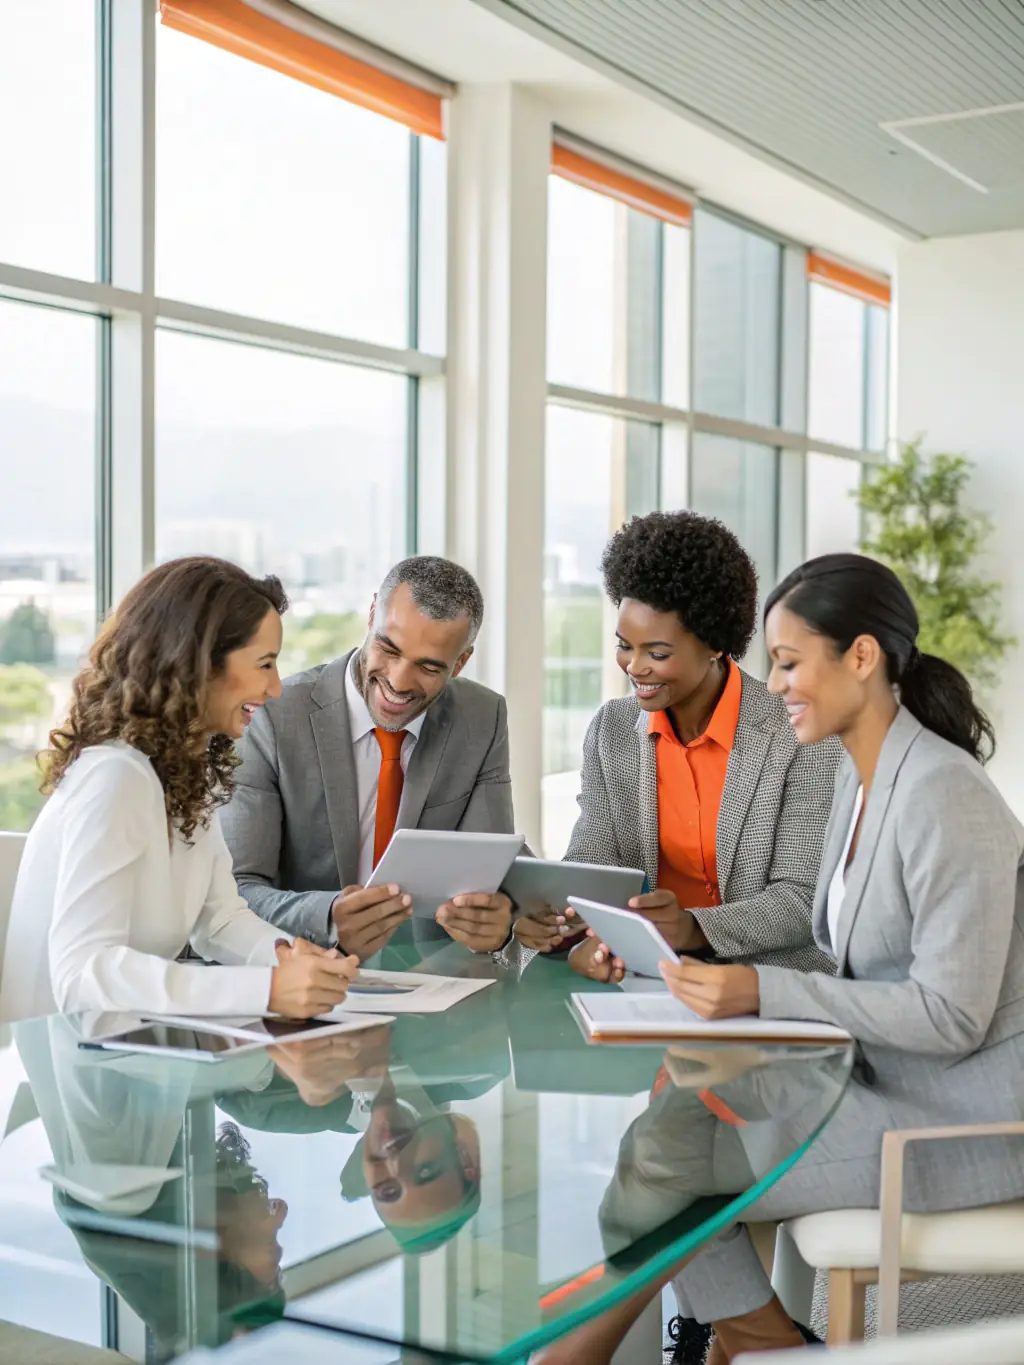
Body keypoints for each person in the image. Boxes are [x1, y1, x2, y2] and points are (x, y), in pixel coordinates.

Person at [534, 552, 1024, 1364]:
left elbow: (952, 1014)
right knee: (672, 1129)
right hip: (877, 1078)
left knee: (664, 1164)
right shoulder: (864, 784)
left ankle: (702, 1348)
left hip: (957, 1119)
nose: (777, 685)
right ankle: (759, 1345)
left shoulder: (944, 791)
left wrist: (763, 986)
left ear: (861, 658)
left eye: (791, 663)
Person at [2, 557, 358, 1023]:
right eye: (264, 664)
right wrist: (266, 990)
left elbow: (220, 920)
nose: (275, 689)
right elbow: (82, 972)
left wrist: (290, 958)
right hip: (77, 1063)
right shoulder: (115, 777)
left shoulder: (181, 775)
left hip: (133, 1057)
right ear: (198, 666)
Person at [518, 511, 839, 976]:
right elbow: (594, 864)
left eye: (658, 653)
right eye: (625, 644)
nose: (634, 666)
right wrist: (557, 922)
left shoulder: (798, 734)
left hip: (769, 984)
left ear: (714, 644)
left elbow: (803, 898)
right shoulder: (613, 731)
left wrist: (689, 929)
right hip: (644, 974)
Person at [222, 556, 516, 959]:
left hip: (434, 980)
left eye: (429, 667)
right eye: (387, 649)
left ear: (461, 662)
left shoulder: (482, 718)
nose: (398, 682)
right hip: (304, 972)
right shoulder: (273, 717)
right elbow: (233, 893)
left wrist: (499, 925)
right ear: (372, 612)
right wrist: (328, 917)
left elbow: (491, 879)